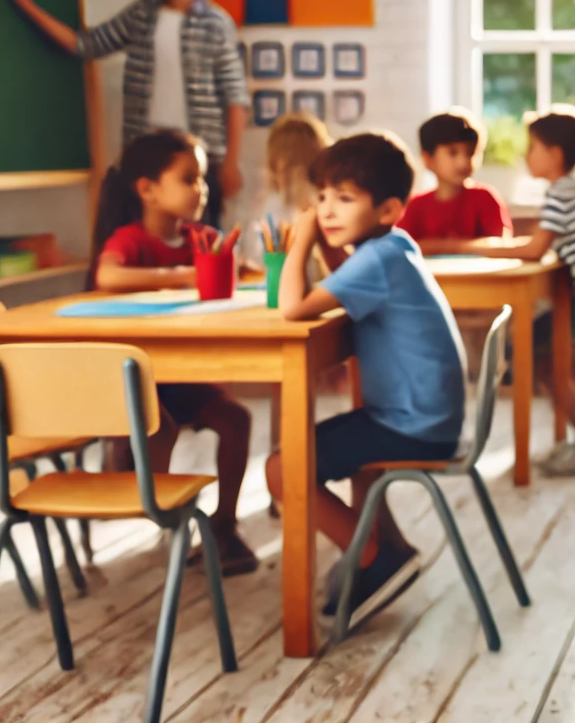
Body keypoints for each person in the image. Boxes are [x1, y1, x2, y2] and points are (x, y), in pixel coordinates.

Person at [270, 132, 468, 624]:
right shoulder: (391, 247)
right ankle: (389, 548)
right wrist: (322, 242)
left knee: (282, 468)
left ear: (386, 210)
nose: (326, 211)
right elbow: (340, 275)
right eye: (321, 198)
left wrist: (299, 243)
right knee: (338, 459)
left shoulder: (378, 259)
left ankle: (371, 557)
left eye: (344, 198)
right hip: (426, 416)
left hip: (412, 424)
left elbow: (293, 308)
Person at [91, 129, 257, 575]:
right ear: (147, 189)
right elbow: (108, 278)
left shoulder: (201, 236)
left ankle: (223, 525)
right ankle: (151, 503)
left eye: (202, 179)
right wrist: (184, 275)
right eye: (188, 178)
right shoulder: (130, 240)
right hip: (137, 383)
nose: (200, 189)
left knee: (237, 420)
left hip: (186, 378)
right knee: (155, 425)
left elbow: (234, 268)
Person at [9, 0, 249, 227]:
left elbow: (235, 97)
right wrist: (27, 5)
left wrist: (231, 161)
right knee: (141, 238)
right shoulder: (141, 15)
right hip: (146, 154)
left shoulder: (215, 23)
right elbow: (86, 45)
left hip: (200, 159)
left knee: (203, 240)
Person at [465, 106, 575, 475]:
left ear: (554, 155)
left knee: (536, 354)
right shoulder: (570, 189)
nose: (525, 155)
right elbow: (544, 242)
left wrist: (471, 245)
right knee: (541, 355)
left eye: (532, 147)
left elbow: (534, 248)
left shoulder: (562, 192)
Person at [398, 108, 513, 253]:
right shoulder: (415, 206)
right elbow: (400, 248)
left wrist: (435, 246)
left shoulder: (485, 198)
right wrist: (466, 247)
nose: (463, 162)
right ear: (428, 158)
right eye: (453, 153)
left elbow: (501, 245)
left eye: (470, 153)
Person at [240, 111, 332, 264]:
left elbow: (255, 257)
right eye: (287, 170)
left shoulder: (321, 204)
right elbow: (254, 255)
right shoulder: (271, 204)